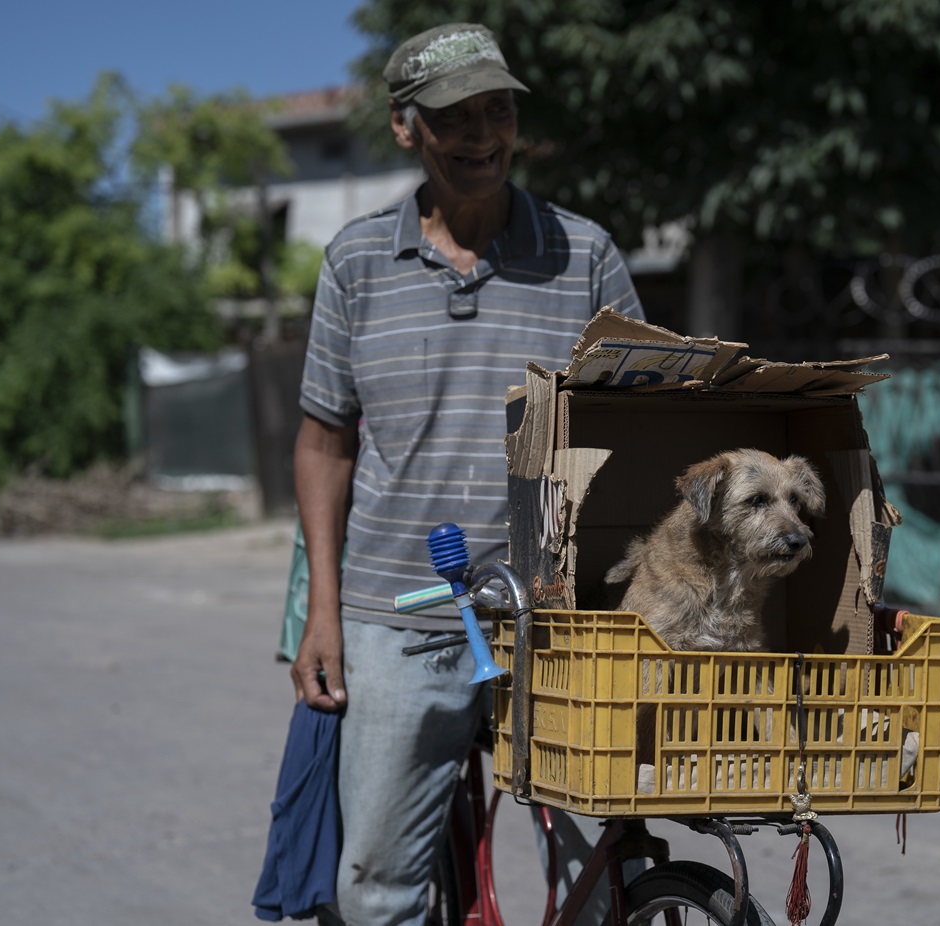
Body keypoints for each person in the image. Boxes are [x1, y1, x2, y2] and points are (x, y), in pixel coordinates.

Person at [290, 22, 644, 925]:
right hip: (398, 616)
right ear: (408, 129)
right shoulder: (358, 263)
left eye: (498, 111)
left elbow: (644, 424)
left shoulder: (586, 256)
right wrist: (322, 615)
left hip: (557, 617)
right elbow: (324, 442)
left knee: (601, 875)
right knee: (375, 892)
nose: (483, 135)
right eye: (456, 118)